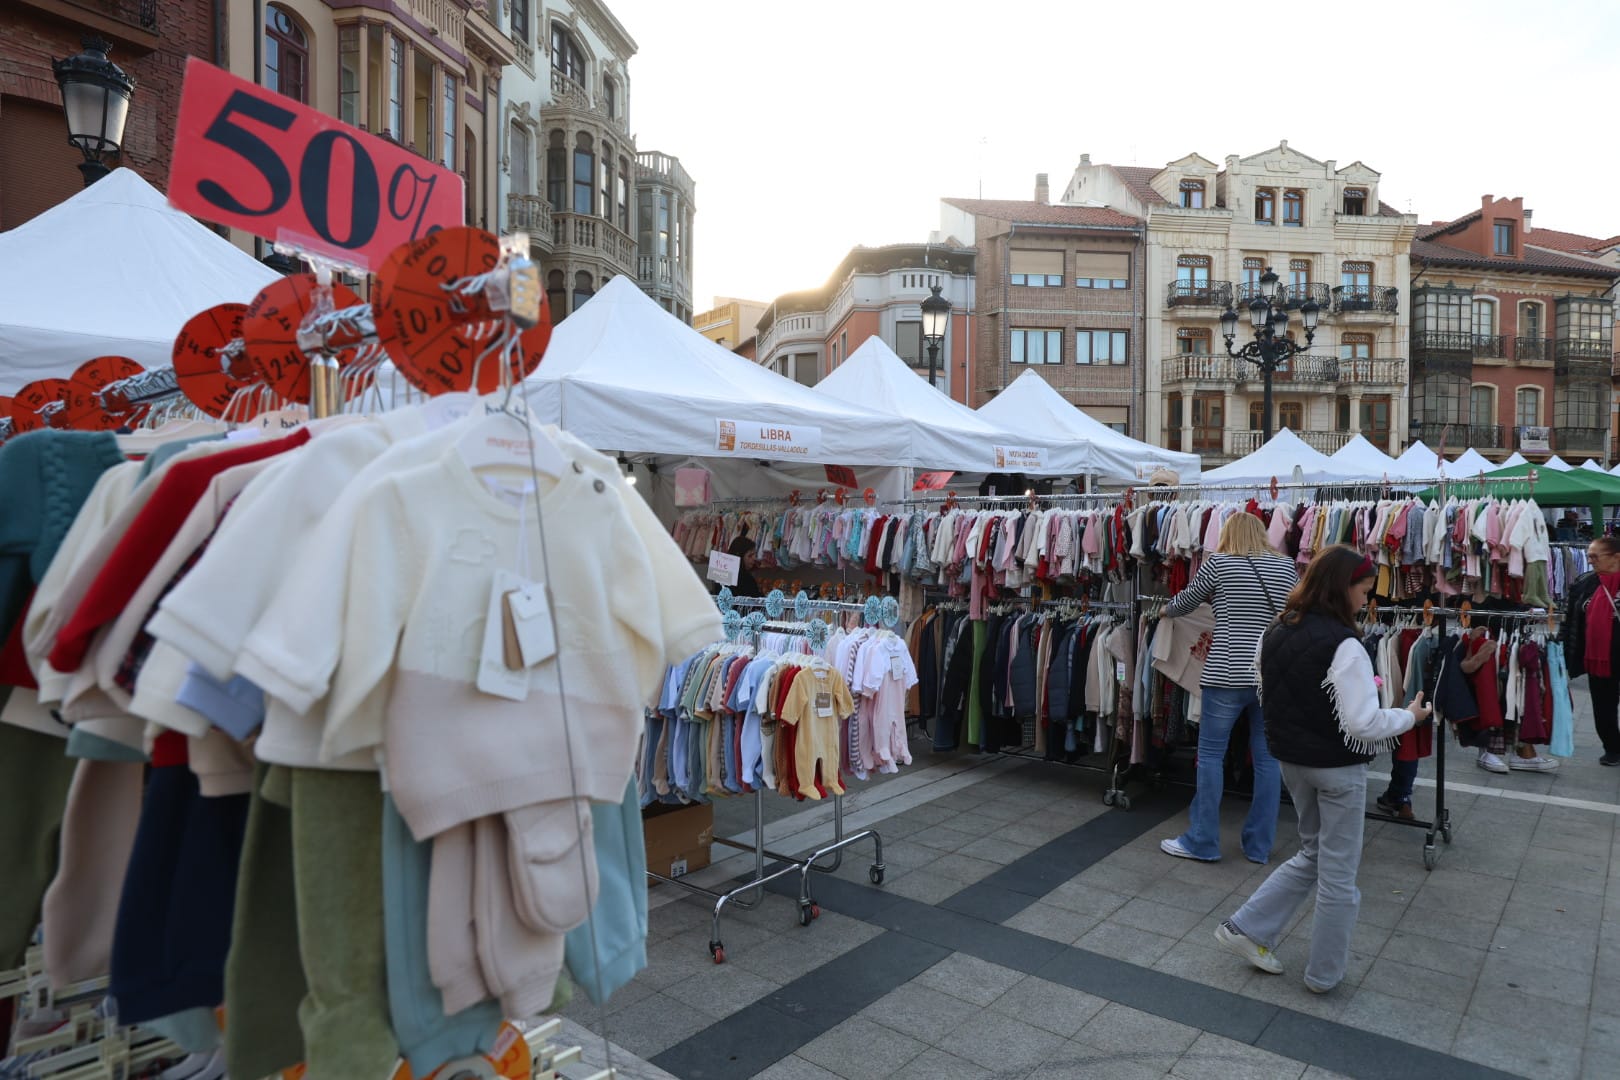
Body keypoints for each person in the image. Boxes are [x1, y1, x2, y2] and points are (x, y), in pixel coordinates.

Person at [1213, 545, 1430, 993]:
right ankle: (1324, 974)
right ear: (1342, 587)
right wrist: (1410, 716)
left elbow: (1263, 685)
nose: (1366, 598)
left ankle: (1247, 928)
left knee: (1313, 854)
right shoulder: (1344, 644)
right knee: (1338, 874)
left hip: (1292, 760)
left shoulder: (1275, 629)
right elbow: (1364, 723)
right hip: (1336, 768)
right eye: (1364, 588)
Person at [1159, 512, 1298, 865]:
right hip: (1270, 675)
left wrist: (1166, 610)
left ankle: (1203, 841)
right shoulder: (1286, 568)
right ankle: (1258, 846)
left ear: (1227, 533)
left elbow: (1186, 601)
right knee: (1268, 761)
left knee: (1210, 757)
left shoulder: (1219, 563)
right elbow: (1294, 615)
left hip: (1226, 672)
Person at [1564, 534, 1620, 766]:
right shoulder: (1585, 582)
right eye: (1589, 556)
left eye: (1595, 557)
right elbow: (1571, 621)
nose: (1590, 561)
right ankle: (1613, 747)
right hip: (1599, 658)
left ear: (1616, 558)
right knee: (1603, 706)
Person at [726, 534, 762, 599]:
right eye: (750, 555)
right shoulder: (746, 579)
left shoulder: (723, 575)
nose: (754, 558)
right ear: (739, 556)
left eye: (754, 555)